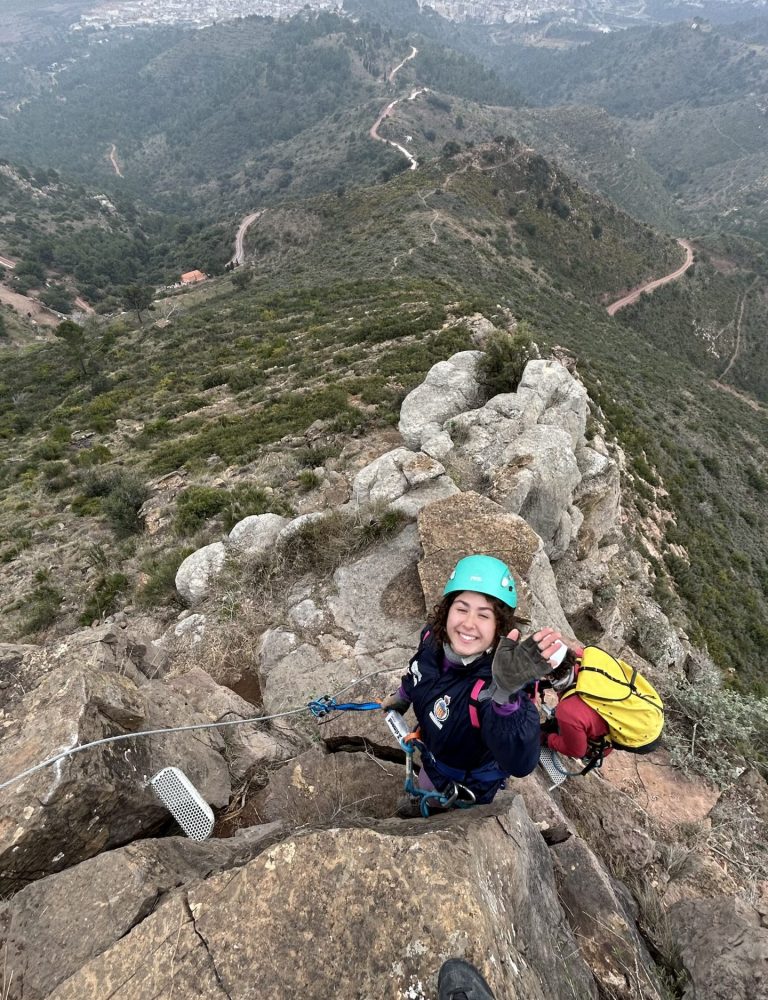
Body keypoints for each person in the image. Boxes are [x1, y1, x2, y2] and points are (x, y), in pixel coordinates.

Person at [381, 554, 559, 811]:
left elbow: (520, 764)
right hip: (433, 762)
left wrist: (506, 699)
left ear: (499, 626)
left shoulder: (492, 688)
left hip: (466, 788)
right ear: (447, 610)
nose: (468, 623)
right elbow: (420, 669)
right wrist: (403, 695)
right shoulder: (433, 638)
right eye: (461, 609)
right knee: (424, 795)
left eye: (484, 616)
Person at [535, 626, 613, 762]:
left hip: (596, 745)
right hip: (607, 718)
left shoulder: (567, 711)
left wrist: (549, 739)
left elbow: (577, 751)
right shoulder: (583, 656)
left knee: (552, 728)